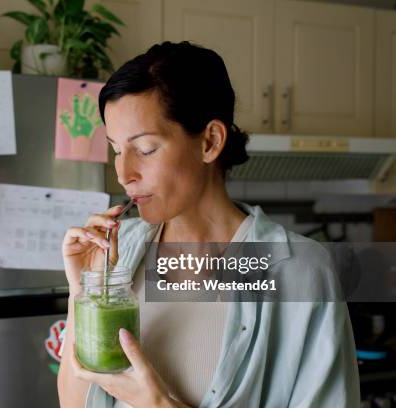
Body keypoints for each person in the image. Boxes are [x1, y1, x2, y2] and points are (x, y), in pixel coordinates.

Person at [57, 41, 360, 408]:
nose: (124, 174)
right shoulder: (118, 254)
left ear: (210, 141)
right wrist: (83, 292)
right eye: (117, 150)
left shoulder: (300, 272)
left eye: (146, 149)